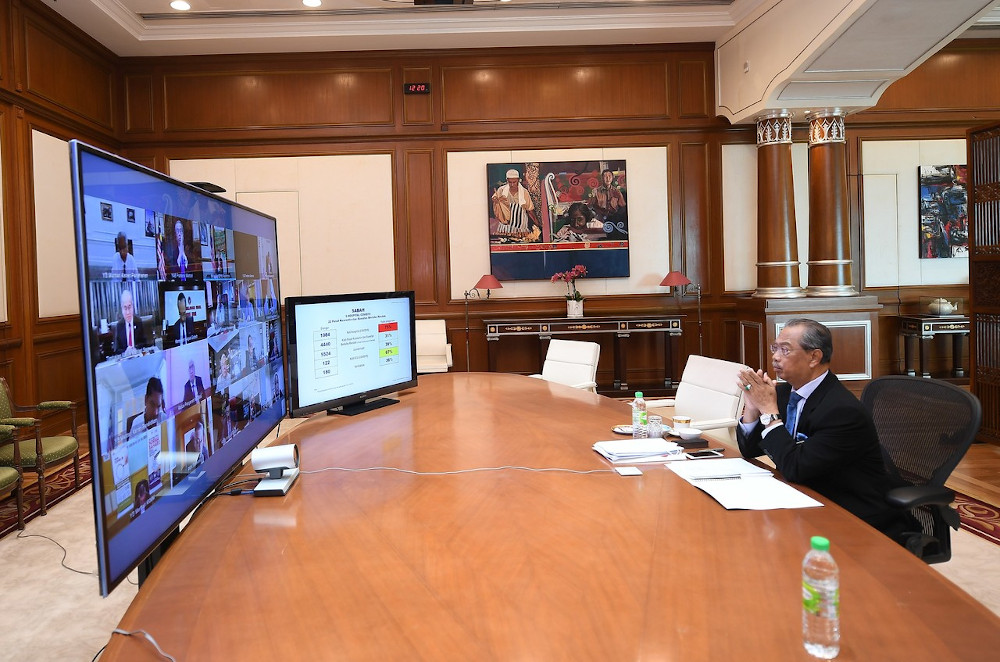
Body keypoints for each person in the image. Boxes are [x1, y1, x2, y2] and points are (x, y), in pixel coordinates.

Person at [736, 318, 910, 540]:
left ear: (814, 357)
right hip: (805, 496)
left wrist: (769, 412)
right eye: (775, 348)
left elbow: (795, 468)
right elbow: (750, 450)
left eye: (785, 350)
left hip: (850, 513)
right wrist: (752, 407)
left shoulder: (842, 411)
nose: (775, 357)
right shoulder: (783, 393)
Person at [491, 168, 540, 241]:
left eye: (514, 182)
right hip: (505, 228)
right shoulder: (501, 190)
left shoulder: (524, 192)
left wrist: (538, 224)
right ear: (507, 180)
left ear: (518, 180)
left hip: (520, 228)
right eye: (510, 182)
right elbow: (497, 207)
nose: (512, 184)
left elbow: (530, 210)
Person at [113, 288, 148, 356]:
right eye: (125, 308)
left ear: (133, 306)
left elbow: (145, 343)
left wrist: (135, 349)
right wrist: (126, 351)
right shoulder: (119, 325)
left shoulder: (139, 321)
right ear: (122, 308)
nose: (128, 312)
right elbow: (116, 349)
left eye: (129, 307)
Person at [128, 377, 166, 441]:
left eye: (158, 406)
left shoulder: (164, 419)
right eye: (152, 404)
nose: (155, 412)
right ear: (146, 400)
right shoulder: (136, 423)